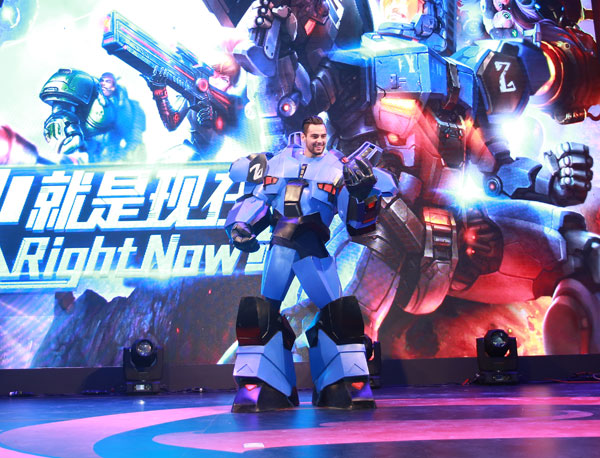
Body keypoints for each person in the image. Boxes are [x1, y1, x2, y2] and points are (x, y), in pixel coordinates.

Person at [224, 116, 397, 411]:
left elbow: (357, 223)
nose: (319, 141)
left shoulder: (339, 167)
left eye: (323, 136)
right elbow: (256, 200)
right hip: (280, 245)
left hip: (312, 246)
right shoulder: (275, 162)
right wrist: (240, 226)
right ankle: (260, 385)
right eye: (314, 136)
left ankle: (344, 383)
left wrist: (363, 194)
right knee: (262, 314)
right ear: (303, 136)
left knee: (340, 314)